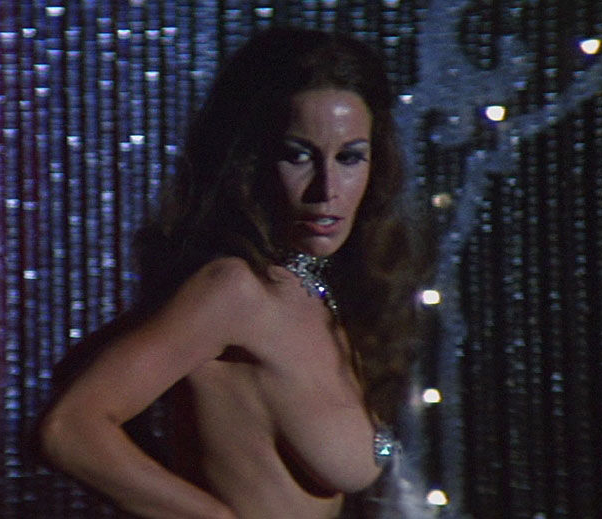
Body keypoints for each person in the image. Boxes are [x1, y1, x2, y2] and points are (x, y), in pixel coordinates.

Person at [38, 27, 429, 519]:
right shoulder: (233, 289)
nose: (326, 189)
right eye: (298, 155)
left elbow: (78, 366)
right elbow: (69, 429)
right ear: (251, 160)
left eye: (349, 157)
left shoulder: (320, 290)